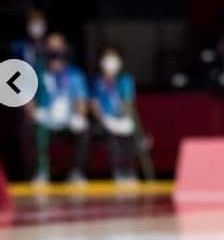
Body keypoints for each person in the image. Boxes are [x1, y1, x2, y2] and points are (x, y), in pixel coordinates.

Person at [25, 33, 92, 185]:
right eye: (51, 47)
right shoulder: (37, 73)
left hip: (67, 121)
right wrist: (36, 113)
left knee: (85, 128)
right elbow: (27, 99)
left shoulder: (75, 74)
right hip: (45, 121)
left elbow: (81, 101)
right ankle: (39, 172)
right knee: (28, 127)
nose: (55, 52)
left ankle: (77, 172)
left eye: (58, 47)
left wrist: (78, 116)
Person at [90, 47, 141, 184]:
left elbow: (128, 102)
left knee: (128, 131)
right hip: (104, 119)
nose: (110, 62)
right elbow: (94, 104)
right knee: (112, 135)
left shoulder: (125, 80)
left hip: (121, 118)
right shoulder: (96, 81)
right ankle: (118, 171)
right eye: (108, 58)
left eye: (114, 58)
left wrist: (126, 116)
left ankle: (129, 170)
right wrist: (104, 119)